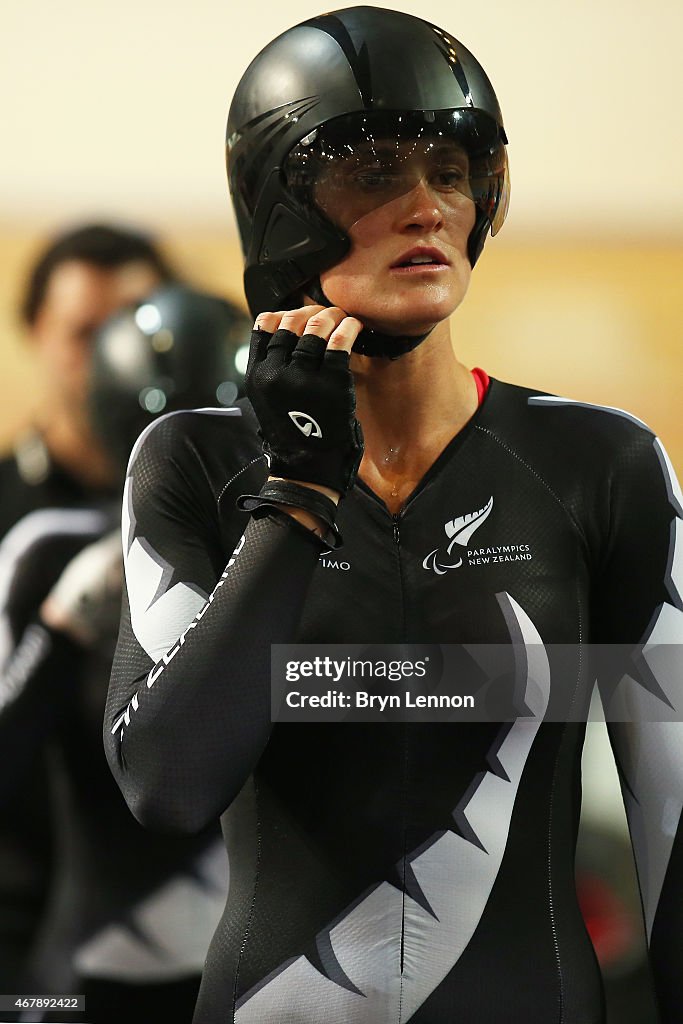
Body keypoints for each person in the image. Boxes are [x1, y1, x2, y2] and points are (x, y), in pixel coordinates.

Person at [104, 8, 683, 1023]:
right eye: (372, 174)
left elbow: (670, 812)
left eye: (450, 172)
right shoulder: (197, 460)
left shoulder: (603, 462)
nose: (424, 205)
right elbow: (167, 785)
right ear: (281, 210)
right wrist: (297, 492)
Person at [0, 283, 249, 1022]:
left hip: (264, 973)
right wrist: (59, 631)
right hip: (91, 972)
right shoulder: (52, 556)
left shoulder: (303, 560)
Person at [0, 222, 176, 995]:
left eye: (132, 328)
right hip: (27, 927)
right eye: (83, 332)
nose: (111, 355)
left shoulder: (215, 511)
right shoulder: (14, 519)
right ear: (34, 334)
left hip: (188, 930)